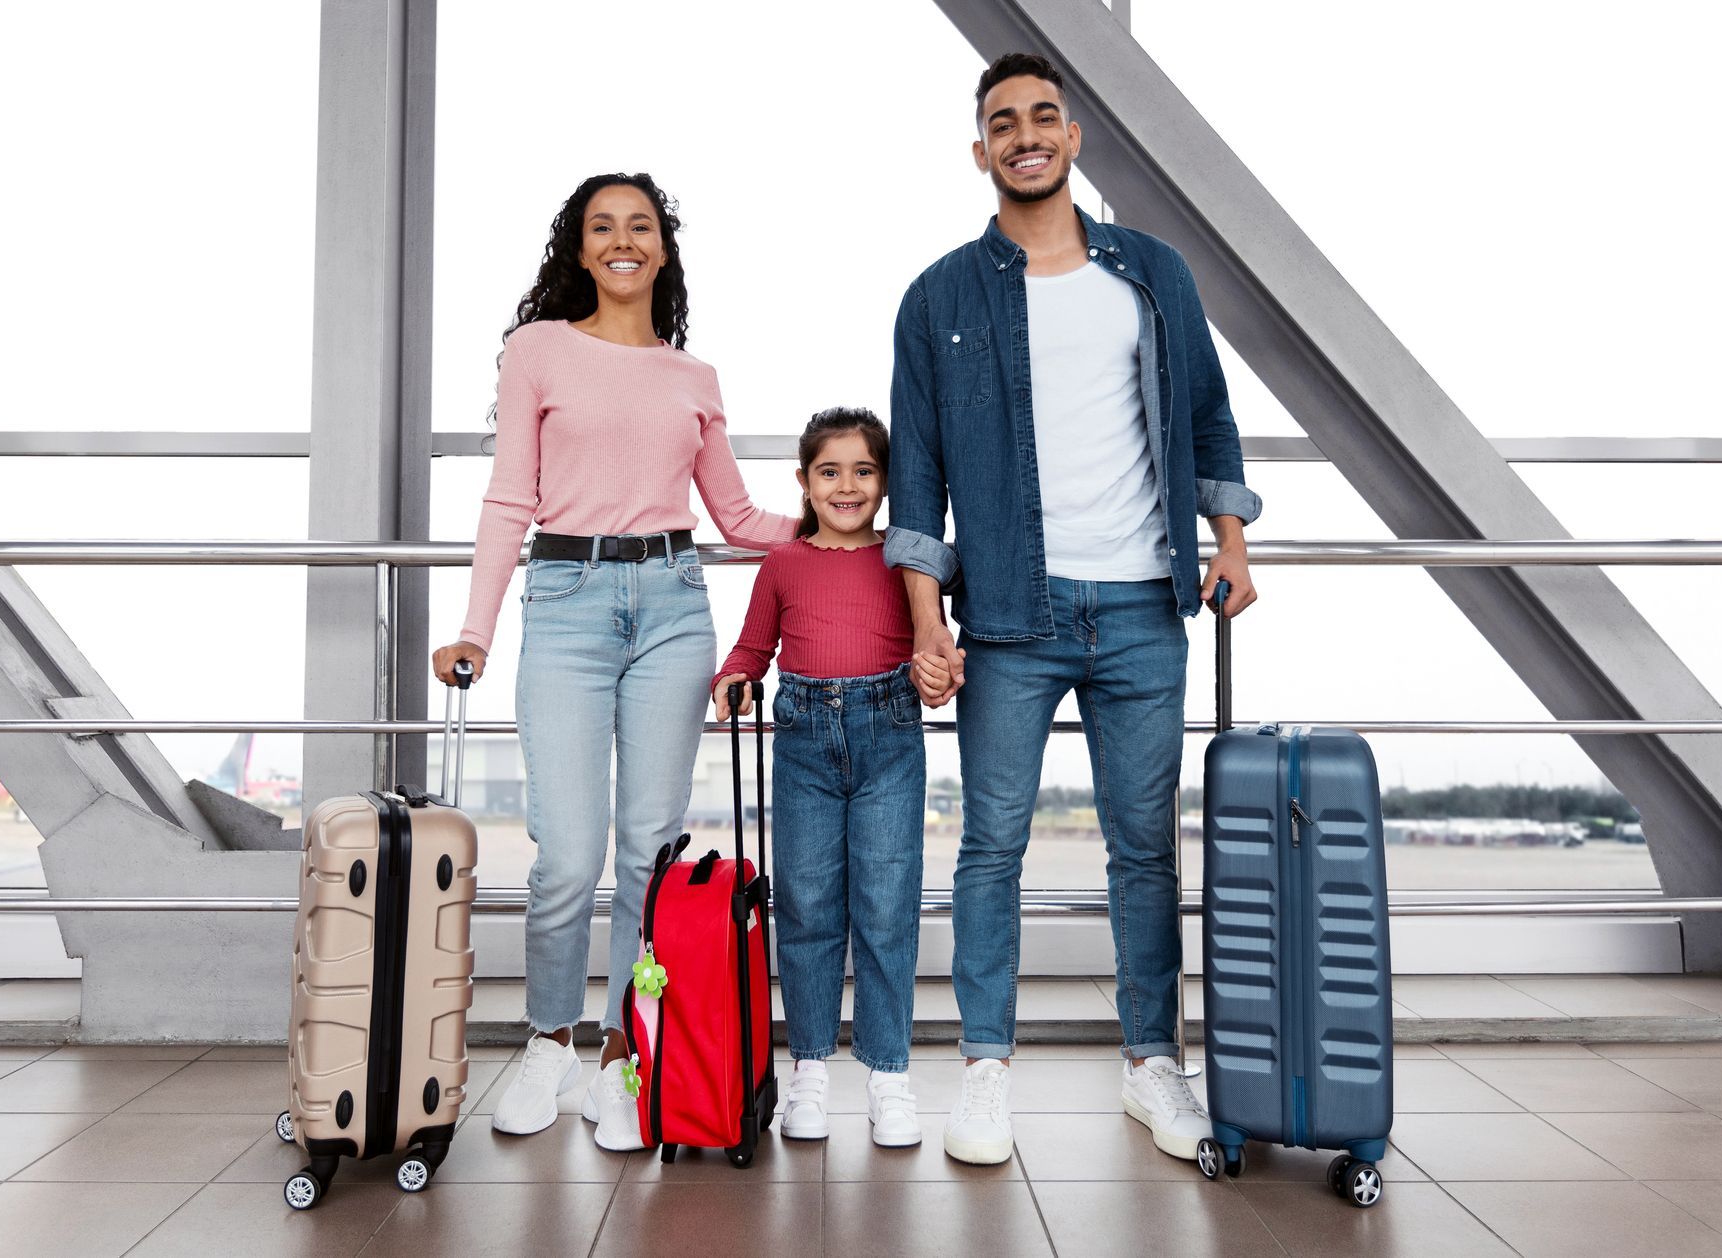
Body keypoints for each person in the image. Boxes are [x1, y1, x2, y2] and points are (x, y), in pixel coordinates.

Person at [887, 53, 1262, 1166]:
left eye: (1043, 116)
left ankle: (1153, 1062)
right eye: (1003, 122)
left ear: (1074, 136)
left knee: (1144, 847)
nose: (1026, 134)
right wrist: (925, 623)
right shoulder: (940, 295)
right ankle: (987, 1069)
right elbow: (918, 479)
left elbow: (1207, 413)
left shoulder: (1152, 274)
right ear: (981, 151)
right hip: (1006, 612)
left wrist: (1231, 541)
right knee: (991, 845)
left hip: (1145, 603)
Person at [431, 173, 796, 1153]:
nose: (623, 240)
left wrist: (849, 528)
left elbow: (740, 518)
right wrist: (476, 627)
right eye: (604, 227)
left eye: (641, 226)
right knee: (568, 855)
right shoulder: (537, 350)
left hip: (675, 606)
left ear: (662, 249)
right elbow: (511, 498)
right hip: (566, 606)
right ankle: (547, 1039)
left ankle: (625, 1058)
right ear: (580, 248)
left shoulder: (694, 377)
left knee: (649, 850)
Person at [711, 407, 926, 1149]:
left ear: (886, 480)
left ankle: (889, 1077)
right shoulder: (784, 564)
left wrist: (939, 667)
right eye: (829, 472)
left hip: (890, 734)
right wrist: (735, 677)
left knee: (887, 904)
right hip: (802, 738)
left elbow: (936, 641)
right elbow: (752, 646)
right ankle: (808, 1070)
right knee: (804, 905)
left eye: (864, 471)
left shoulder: (906, 560)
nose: (847, 486)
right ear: (803, 482)